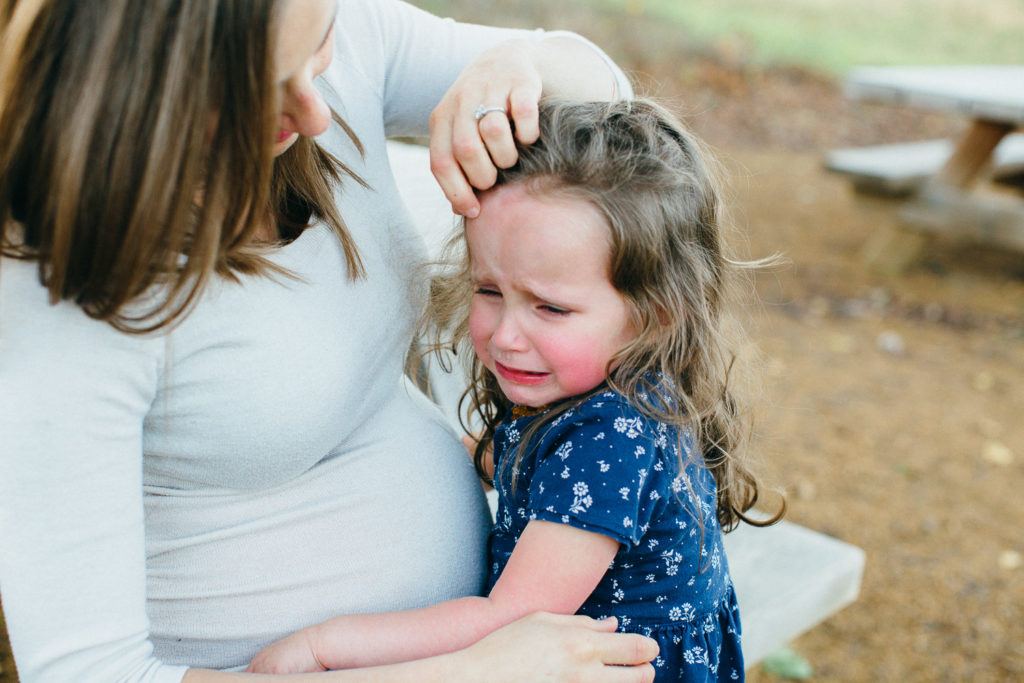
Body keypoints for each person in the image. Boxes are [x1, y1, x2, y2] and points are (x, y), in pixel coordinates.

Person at [0, 0, 661, 680]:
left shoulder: (338, 32)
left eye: (317, 49)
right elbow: (87, 673)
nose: (317, 113)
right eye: (255, 91)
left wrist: (515, 66)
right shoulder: (59, 294)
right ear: (138, 86)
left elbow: (607, 90)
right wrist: (471, 670)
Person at [246, 99, 785, 681]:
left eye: (550, 307)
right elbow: (516, 461)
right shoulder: (587, 386)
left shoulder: (609, 438)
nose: (504, 335)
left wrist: (324, 647)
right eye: (488, 290)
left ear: (655, 315)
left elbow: (511, 623)